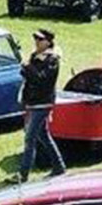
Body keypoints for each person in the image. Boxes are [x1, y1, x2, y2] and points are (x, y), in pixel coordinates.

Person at [17, 28, 65, 182]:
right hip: (33, 101)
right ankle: (59, 167)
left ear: (48, 42)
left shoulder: (52, 61)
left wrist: (28, 67)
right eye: (35, 39)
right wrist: (26, 68)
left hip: (43, 103)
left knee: (29, 138)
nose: (36, 42)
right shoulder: (35, 56)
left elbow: (42, 79)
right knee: (43, 136)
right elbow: (28, 75)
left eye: (40, 39)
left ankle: (23, 175)